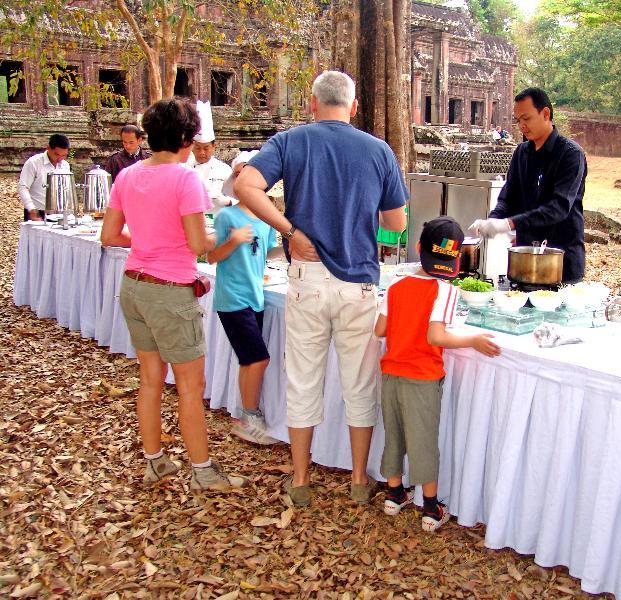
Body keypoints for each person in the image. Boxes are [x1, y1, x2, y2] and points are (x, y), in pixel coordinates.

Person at [235, 70, 408, 507]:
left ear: (312, 105)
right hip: (359, 283)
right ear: (353, 107)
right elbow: (397, 224)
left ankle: (299, 479)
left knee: (304, 382)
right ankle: (356, 480)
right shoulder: (378, 150)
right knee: (359, 385)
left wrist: (290, 230)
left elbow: (245, 186)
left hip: (307, 278)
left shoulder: (291, 141)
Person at [100, 97, 247, 492]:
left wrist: (149, 242)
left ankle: (155, 461)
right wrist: (231, 236)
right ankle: (202, 470)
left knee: (150, 378)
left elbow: (110, 235)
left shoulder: (128, 176)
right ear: (185, 138)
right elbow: (201, 245)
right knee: (189, 385)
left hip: (134, 285)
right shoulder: (185, 179)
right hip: (168, 291)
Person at [375, 216, 500, 532]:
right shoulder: (445, 291)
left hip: (391, 374)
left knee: (395, 434)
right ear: (454, 258)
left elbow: (380, 330)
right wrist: (472, 340)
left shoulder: (396, 285)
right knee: (423, 440)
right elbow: (436, 337)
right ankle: (430, 508)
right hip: (423, 376)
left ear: (418, 248)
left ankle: (394, 494)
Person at [470, 88, 587, 283]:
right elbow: (508, 197)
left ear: (546, 113)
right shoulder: (521, 153)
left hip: (561, 259)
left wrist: (509, 223)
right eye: (518, 120)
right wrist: (493, 220)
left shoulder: (570, 154)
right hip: (524, 256)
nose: (522, 125)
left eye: (527, 118)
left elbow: (558, 208)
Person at [208, 150, 283, 446]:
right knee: (259, 358)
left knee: (249, 360)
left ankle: (247, 417)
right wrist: (234, 240)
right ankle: (248, 417)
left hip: (255, 296)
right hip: (233, 296)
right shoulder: (227, 215)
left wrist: (290, 247)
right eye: (239, 173)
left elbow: (267, 253)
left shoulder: (265, 218)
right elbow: (211, 256)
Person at [187, 100, 235, 213]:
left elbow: (238, 199)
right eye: (198, 148)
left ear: (214, 147)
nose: (202, 152)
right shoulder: (184, 167)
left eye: (206, 148)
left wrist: (227, 201)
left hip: (217, 221)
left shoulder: (224, 170)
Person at [18, 133, 71, 221]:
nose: (60, 159)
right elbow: (23, 187)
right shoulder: (34, 163)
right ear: (48, 148)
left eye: (64, 155)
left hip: (59, 213)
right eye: (57, 155)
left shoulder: (65, 165)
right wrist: (31, 209)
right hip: (37, 212)